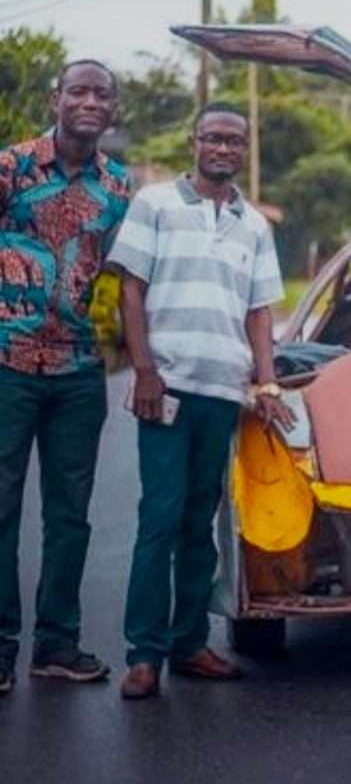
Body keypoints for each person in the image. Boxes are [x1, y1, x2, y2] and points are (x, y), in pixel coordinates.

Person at [107, 101, 295, 700]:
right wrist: (143, 370)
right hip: (167, 386)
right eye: (213, 138)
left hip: (222, 392)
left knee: (200, 523)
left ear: (243, 150)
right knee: (158, 520)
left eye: (233, 141)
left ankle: (189, 643)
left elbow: (260, 312)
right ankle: (144, 654)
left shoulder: (253, 225)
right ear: (195, 141)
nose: (222, 149)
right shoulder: (155, 204)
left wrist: (265, 384)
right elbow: (130, 291)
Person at [0, 60, 132, 694]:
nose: (88, 102)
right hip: (7, 364)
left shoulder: (119, 186)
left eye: (100, 94)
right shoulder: (11, 167)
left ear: (113, 109)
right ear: (56, 98)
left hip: (79, 369)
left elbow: (122, 276)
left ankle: (57, 643)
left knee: (70, 515)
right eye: (77, 91)